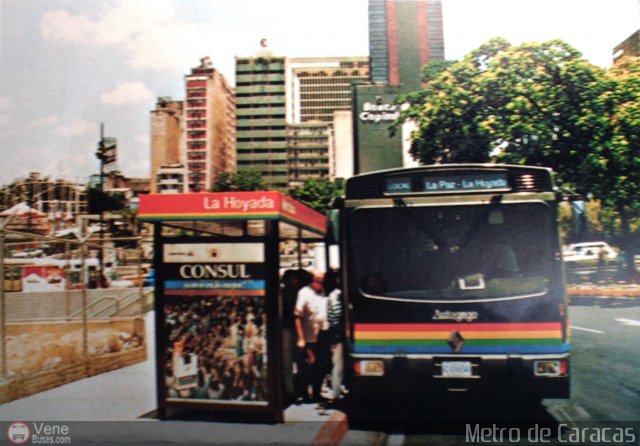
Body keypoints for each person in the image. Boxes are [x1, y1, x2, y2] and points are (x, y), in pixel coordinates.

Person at [294, 270, 328, 402]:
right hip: (309, 337)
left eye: (322, 279)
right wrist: (301, 338)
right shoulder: (304, 293)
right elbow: (297, 316)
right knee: (309, 365)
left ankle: (317, 393)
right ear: (312, 280)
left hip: (322, 336)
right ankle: (304, 393)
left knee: (320, 366)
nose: (321, 282)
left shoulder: (323, 292)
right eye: (318, 279)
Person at [280, 269, 306, 403]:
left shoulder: (285, 292)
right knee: (291, 360)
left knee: (289, 361)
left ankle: (292, 389)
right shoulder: (290, 293)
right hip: (288, 329)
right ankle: (293, 390)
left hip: (289, 328)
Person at [323, 269, 345, 402]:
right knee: (338, 363)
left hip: (334, 332)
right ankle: (336, 390)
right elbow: (336, 317)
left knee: (337, 362)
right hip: (337, 333)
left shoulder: (332, 295)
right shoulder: (337, 295)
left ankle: (337, 388)